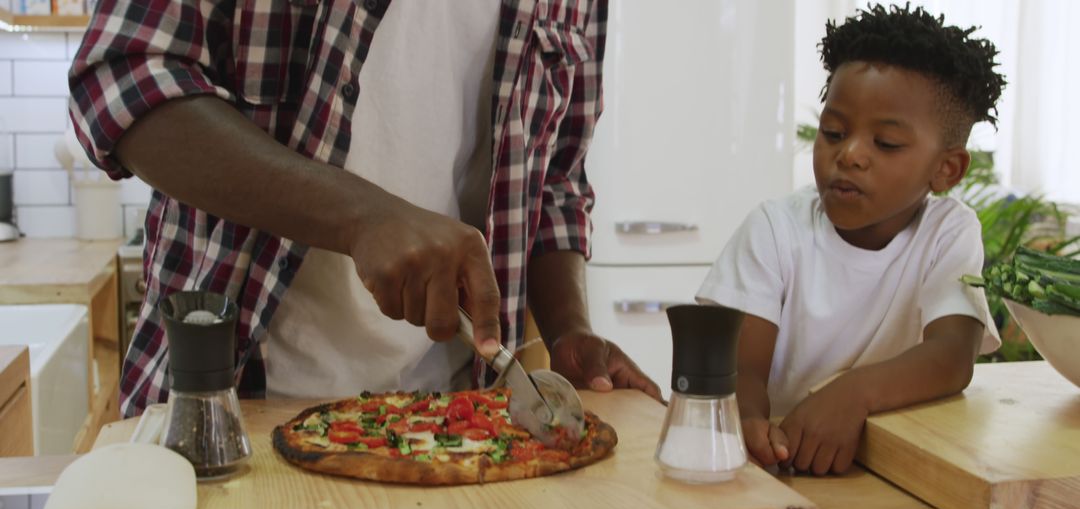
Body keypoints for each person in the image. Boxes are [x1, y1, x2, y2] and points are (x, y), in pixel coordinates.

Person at [68, 0, 660, 418]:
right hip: (230, 409)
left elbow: (557, 178)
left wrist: (570, 329)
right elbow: (122, 77)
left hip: (459, 419)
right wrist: (361, 216)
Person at [696, 4, 1005, 476]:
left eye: (886, 143)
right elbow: (743, 368)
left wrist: (853, 395)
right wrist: (750, 423)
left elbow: (952, 356)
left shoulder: (949, 232)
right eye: (834, 132)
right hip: (775, 470)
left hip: (884, 472)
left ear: (946, 169)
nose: (850, 154)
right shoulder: (776, 229)